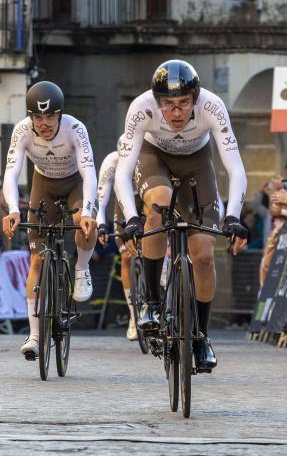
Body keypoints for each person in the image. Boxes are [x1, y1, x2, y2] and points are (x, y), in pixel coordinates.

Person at [114, 60, 248, 372]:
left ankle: (201, 336)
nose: (176, 113)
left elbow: (236, 168)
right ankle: (150, 301)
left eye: (184, 104)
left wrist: (233, 217)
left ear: (195, 99)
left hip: (196, 162)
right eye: (169, 105)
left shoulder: (212, 107)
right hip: (154, 157)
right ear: (157, 101)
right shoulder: (141, 107)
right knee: (158, 204)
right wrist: (132, 218)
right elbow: (123, 170)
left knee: (202, 254)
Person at [1, 80, 98, 361]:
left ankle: (80, 268)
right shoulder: (22, 131)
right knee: (36, 260)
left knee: (84, 223)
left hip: (75, 184)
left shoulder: (75, 129)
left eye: (50, 116)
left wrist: (89, 212)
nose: (44, 123)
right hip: (43, 183)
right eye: (38, 117)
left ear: (60, 114)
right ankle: (33, 334)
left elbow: (89, 172)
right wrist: (13, 209)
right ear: (31, 117)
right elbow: (12, 172)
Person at [95, 148, 140, 341]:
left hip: (146, 201)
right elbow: (102, 201)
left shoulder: (147, 155)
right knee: (127, 257)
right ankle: (133, 316)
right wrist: (102, 225)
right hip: (123, 204)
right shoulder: (111, 160)